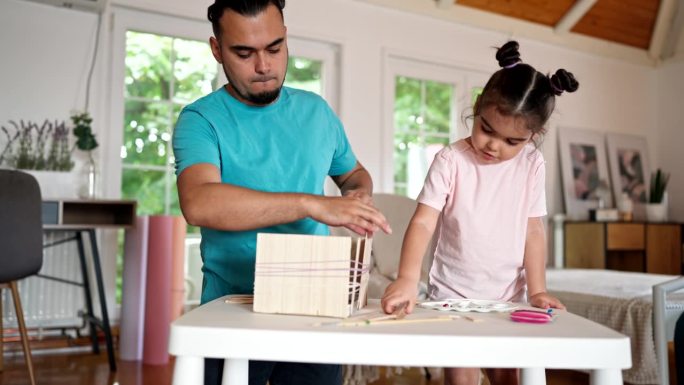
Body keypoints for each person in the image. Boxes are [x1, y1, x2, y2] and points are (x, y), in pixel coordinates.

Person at [172, 1, 391, 384]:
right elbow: (199, 202)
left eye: (274, 48)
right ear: (217, 50)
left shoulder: (317, 112)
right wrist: (310, 204)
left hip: (313, 306)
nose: (264, 66)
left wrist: (357, 195)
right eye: (244, 53)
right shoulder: (200, 119)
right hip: (233, 308)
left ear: (286, 38)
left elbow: (354, 174)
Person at [380, 41, 578, 385]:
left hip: (509, 295)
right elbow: (424, 221)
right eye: (486, 129)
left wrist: (538, 290)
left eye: (511, 141)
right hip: (453, 294)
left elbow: (533, 230)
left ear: (534, 135)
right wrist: (408, 279)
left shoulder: (532, 164)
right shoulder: (451, 161)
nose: (493, 146)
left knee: (508, 375)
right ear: (476, 107)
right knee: (462, 375)